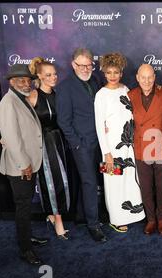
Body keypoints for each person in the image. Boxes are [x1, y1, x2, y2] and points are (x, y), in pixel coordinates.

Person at [0, 64, 48, 265]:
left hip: (27, 163)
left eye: (28, 80)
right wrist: (24, 164)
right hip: (20, 167)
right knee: (23, 207)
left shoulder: (20, 99)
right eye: (21, 81)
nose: (26, 84)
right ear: (11, 82)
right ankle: (26, 249)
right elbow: (11, 138)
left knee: (25, 205)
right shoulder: (8, 103)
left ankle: (27, 239)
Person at [56, 48, 107, 242]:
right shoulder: (65, 88)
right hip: (82, 144)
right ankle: (93, 225)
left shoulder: (95, 81)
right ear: (73, 64)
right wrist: (77, 144)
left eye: (89, 65)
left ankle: (81, 216)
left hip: (100, 141)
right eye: (82, 65)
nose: (86, 69)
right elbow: (64, 121)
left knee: (97, 180)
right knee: (89, 182)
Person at [94, 52, 145, 233]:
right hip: (111, 147)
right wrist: (106, 152)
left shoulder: (126, 90)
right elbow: (100, 126)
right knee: (113, 183)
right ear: (104, 74)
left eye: (116, 72)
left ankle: (133, 215)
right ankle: (115, 219)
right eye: (109, 73)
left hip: (128, 145)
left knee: (130, 180)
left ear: (121, 73)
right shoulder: (101, 95)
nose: (113, 76)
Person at [27, 57, 70, 240]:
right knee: (52, 182)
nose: (53, 77)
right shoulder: (34, 95)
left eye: (54, 74)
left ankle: (53, 215)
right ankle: (58, 220)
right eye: (48, 75)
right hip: (43, 143)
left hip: (59, 140)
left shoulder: (58, 94)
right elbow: (22, 120)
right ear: (39, 76)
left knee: (62, 180)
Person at [128, 64, 162, 235]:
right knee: (146, 187)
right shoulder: (130, 95)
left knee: (161, 186)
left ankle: (161, 219)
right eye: (143, 77)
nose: (146, 81)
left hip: (160, 148)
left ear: (154, 77)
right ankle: (151, 219)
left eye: (150, 77)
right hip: (140, 147)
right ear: (137, 77)